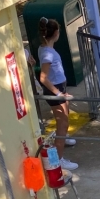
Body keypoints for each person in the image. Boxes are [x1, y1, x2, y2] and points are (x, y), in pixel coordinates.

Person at [36, 18, 78, 171]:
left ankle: (63, 139)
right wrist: (59, 93)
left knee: (65, 118)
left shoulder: (44, 48)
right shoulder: (47, 53)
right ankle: (58, 160)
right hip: (55, 90)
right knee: (62, 124)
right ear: (55, 33)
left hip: (59, 86)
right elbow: (43, 78)